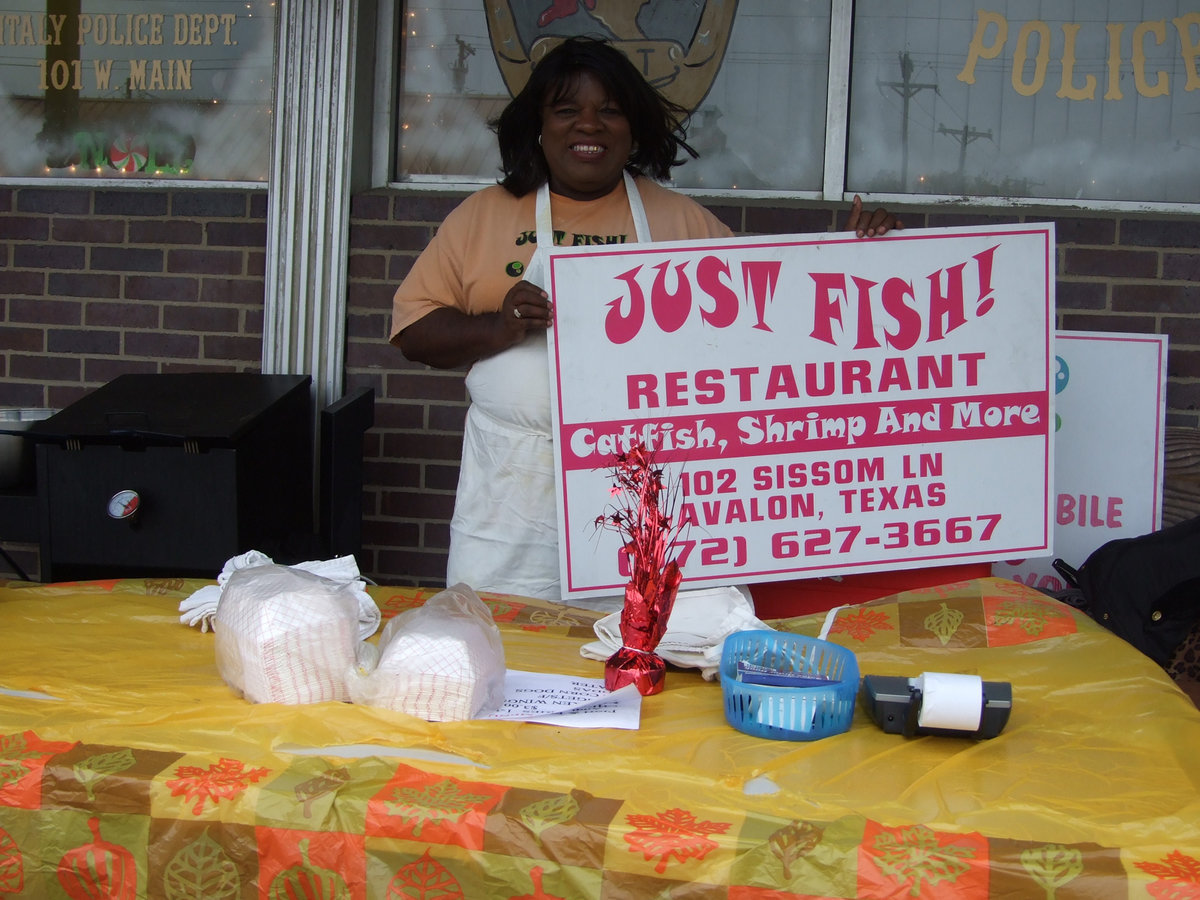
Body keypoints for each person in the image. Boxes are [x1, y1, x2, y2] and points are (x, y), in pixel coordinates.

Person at [391, 36, 901, 605]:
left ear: (633, 128)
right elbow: (413, 333)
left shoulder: (681, 221)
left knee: (655, 652)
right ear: (539, 124)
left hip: (652, 491)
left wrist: (862, 262)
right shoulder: (483, 215)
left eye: (609, 110)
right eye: (567, 110)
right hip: (514, 496)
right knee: (508, 651)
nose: (590, 125)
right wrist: (499, 327)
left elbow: (774, 323)